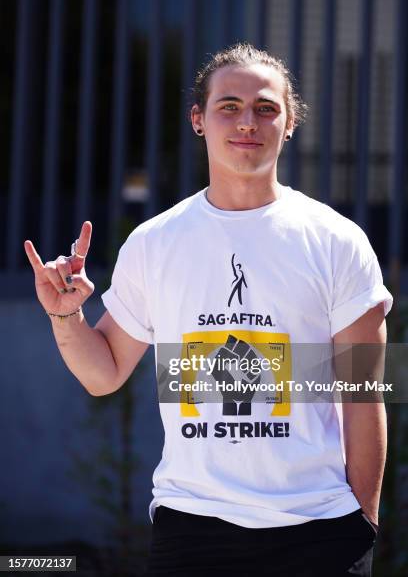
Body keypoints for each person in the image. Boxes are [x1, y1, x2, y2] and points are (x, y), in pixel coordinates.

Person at [25, 43, 393, 576]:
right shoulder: (155, 242)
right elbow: (103, 373)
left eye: (266, 107)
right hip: (193, 529)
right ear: (198, 119)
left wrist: (363, 525)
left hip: (321, 532)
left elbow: (364, 392)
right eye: (229, 106)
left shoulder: (337, 241)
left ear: (289, 123)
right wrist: (65, 315)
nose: (248, 121)